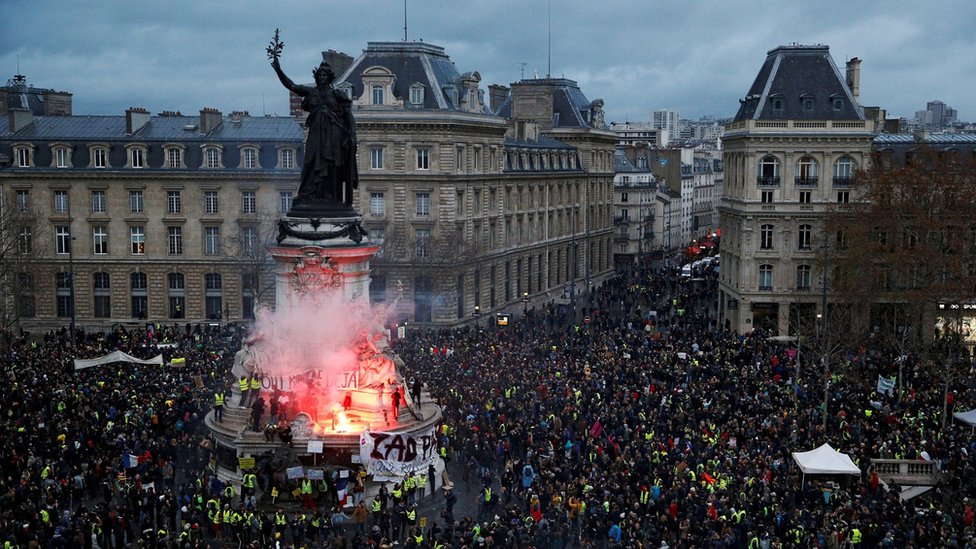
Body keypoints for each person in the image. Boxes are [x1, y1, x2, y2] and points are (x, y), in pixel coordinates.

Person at [270, 43, 358, 208]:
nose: (322, 77)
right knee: (311, 161)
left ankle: (333, 197)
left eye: (325, 74)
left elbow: (349, 117)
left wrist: (353, 136)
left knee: (332, 166)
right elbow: (292, 86)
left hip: (334, 134)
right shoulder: (312, 92)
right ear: (317, 77)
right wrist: (278, 70)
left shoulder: (338, 95)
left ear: (330, 77)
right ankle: (308, 194)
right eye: (320, 74)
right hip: (316, 133)